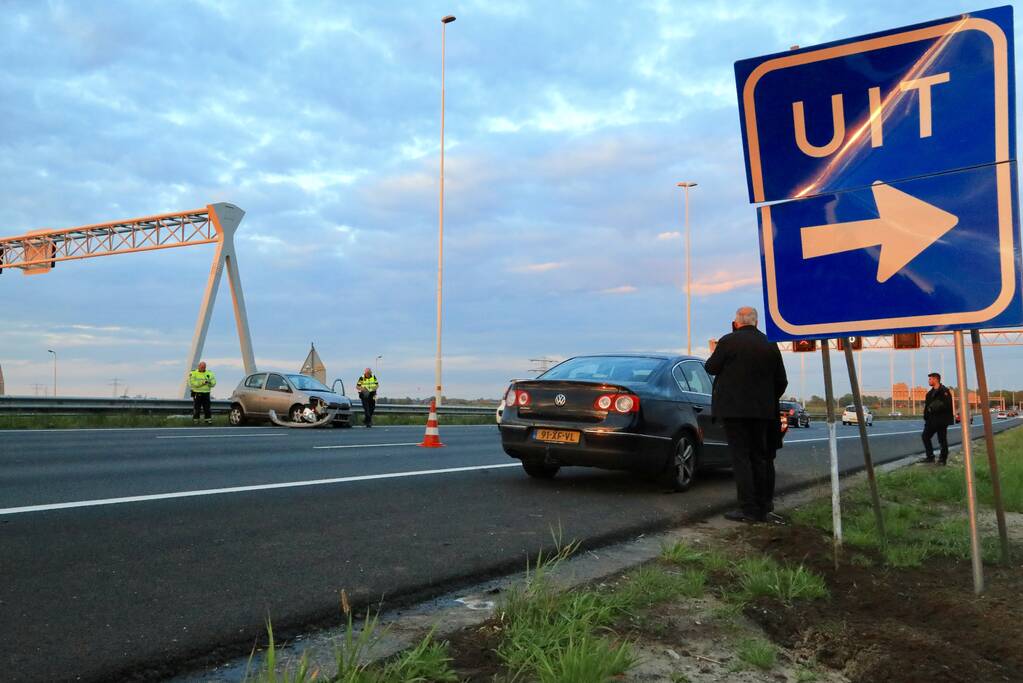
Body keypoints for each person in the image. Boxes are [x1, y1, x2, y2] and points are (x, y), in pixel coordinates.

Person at [705, 306, 788, 523]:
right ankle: (763, 506)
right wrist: (767, 399)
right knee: (759, 457)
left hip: (734, 412)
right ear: (756, 323)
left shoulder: (728, 341)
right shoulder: (770, 343)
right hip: (762, 412)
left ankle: (748, 508)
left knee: (741, 459)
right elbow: (782, 380)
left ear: (736, 323)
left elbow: (711, 368)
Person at [920, 372, 954, 465]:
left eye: (930, 379)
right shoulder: (929, 394)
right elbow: (927, 407)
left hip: (941, 420)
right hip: (931, 420)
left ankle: (943, 460)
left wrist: (935, 406)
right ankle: (930, 457)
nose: (929, 381)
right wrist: (926, 417)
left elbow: (947, 405)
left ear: (936, 379)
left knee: (942, 440)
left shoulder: (944, 391)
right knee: (925, 436)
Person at [188, 361, 217, 425]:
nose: (202, 368)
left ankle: (208, 420)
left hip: (206, 393)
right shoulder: (193, 373)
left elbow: (214, 383)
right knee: (197, 408)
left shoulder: (209, 373)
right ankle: (196, 421)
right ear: (198, 366)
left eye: (204, 367)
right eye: (201, 367)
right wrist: (202, 383)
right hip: (197, 393)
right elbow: (192, 384)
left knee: (207, 408)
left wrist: (209, 383)